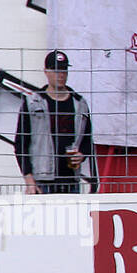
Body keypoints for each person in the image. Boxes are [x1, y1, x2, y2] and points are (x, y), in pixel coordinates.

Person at [14, 50, 96, 195]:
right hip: (42, 181)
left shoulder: (79, 103)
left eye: (64, 70)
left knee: (72, 218)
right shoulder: (33, 102)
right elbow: (21, 144)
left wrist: (82, 155)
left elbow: (87, 140)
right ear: (46, 71)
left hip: (71, 181)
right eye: (56, 70)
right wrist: (29, 181)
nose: (61, 74)